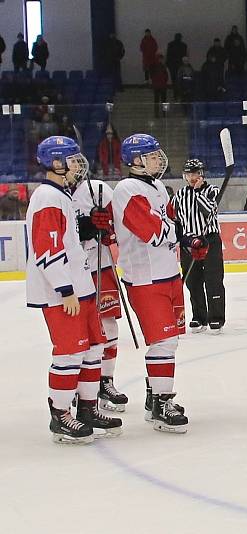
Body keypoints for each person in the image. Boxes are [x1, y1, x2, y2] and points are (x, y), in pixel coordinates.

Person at [26, 136, 122, 443]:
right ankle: (61, 415)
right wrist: (64, 289)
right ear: (56, 163)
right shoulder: (47, 197)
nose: (77, 164)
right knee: (69, 353)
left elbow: (69, 238)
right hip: (62, 293)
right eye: (71, 158)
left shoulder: (61, 195)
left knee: (94, 347)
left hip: (81, 287)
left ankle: (87, 408)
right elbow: (47, 248)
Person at [113, 134, 189, 432]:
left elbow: (171, 225)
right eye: (153, 154)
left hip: (169, 273)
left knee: (170, 342)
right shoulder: (127, 190)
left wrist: (191, 237)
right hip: (145, 278)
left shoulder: (157, 186)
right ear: (136, 160)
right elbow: (154, 232)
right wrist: (179, 231)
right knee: (163, 342)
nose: (160, 158)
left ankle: (153, 395)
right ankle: (160, 403)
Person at [72, 164, 128, 413]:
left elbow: (120, 220)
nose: (73, 165)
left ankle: (105, 381)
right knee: (80, 330)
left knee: (108, 324)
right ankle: (77, 385)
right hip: (73, 270)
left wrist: (108, 230)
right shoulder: (54, 194)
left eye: (75, 160)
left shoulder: (97, 189)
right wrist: (85, 226)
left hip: (101, 264)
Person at [172, 159, 226, 334]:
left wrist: (197, 192)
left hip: (209, 240)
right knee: (193, 281)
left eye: (196, 173)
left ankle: (216, 317)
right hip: (189, 243)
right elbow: (175, 218)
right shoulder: (179, 195)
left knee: (213, 280)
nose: (192, 177)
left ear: (202, 174)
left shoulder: (213, 190)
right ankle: (199, 316)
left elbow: (208, 210)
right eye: (189, 174)